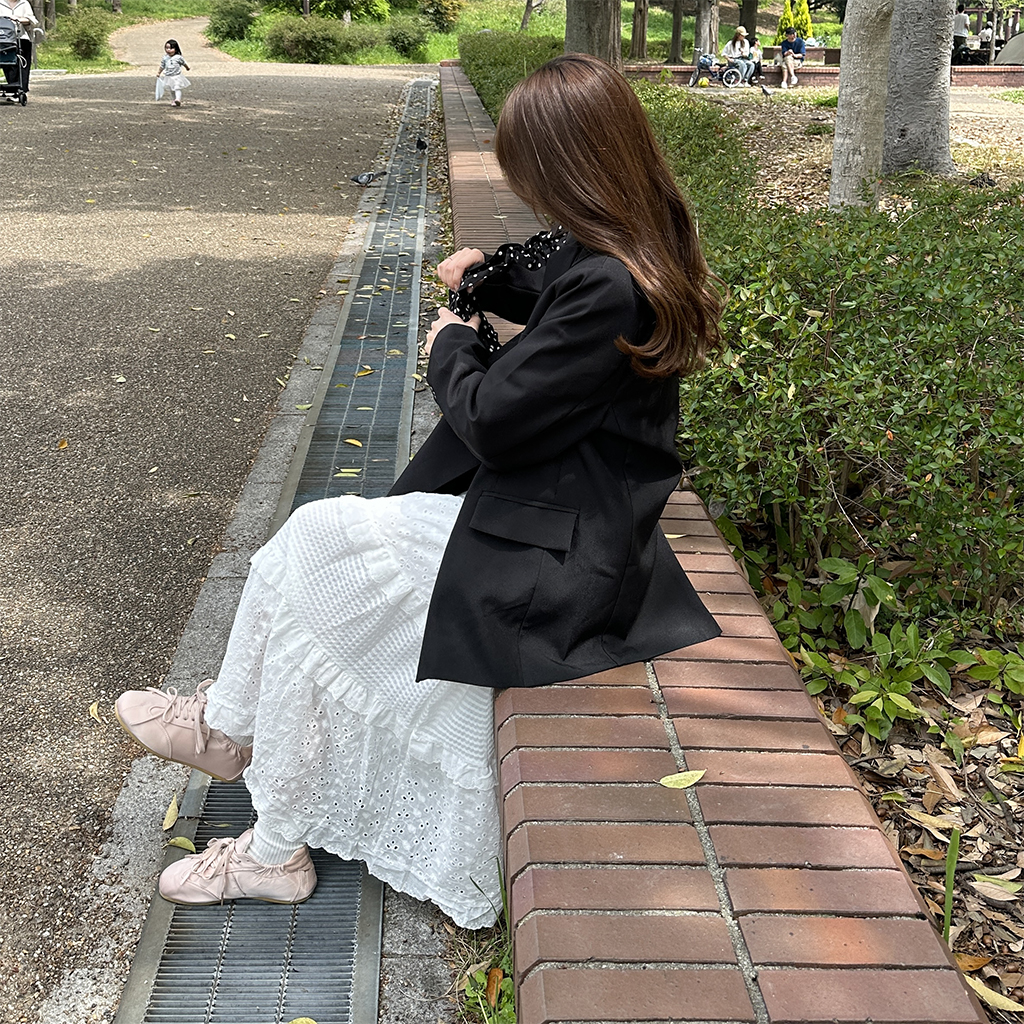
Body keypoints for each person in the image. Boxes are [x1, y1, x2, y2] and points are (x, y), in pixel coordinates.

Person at [115, 53, 724, 929]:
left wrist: (451, 343)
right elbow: (545, 275)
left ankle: (259, 812)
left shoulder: (610, 285)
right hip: (563, 516)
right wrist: (481, 273)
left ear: (571, 167)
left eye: (532, 173)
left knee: (318, 551)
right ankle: (229, 732)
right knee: (313, 548)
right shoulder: (638, 242)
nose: (525, 193)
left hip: (561, 555)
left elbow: (493, 421)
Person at [0, 0, 38, 100]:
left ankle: (21, 89)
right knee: (7, 61)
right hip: (4, 38)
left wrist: (20, 19)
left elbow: (32, 20)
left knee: (23, 60)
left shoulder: (24, 3)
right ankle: (13, 88)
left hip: (21, 37)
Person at [156, 38, 190, 107]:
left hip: (177, 76)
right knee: (172, 89)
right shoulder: (165, 58)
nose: (168, 50)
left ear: (176, 49)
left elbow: (183, 63)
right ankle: (174, 100)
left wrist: (187, 67)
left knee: (177, 88)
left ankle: (178, 99)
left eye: (171, 48)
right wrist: (159, 72)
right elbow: (162, 66)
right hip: (168, 76)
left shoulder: (178, 57)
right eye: (167, 48)